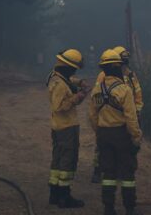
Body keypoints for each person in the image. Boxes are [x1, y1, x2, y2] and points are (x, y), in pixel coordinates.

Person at [89, 49, 143, 215]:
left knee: (108, 173)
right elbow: (131, 119)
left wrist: (99, 131)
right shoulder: (124, 90)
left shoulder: (97, 90)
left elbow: (92, 116)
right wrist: (136, 138)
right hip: (121, 135)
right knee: (127, 174)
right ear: (116, 67)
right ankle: (129, 208)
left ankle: (108, 208)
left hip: (103, 135)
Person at [47, 49, 88, 208]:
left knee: (57, 159)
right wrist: (77, 97)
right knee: (67, 161)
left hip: (58, 126)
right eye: (73, 68)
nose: (74, 71)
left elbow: (68, 80)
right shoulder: (60, 85)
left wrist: (79, 82)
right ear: (68, 66)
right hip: (67, 127)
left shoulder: (56, 76)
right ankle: (65, 196)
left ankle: (54, 193)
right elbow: (58, 106)